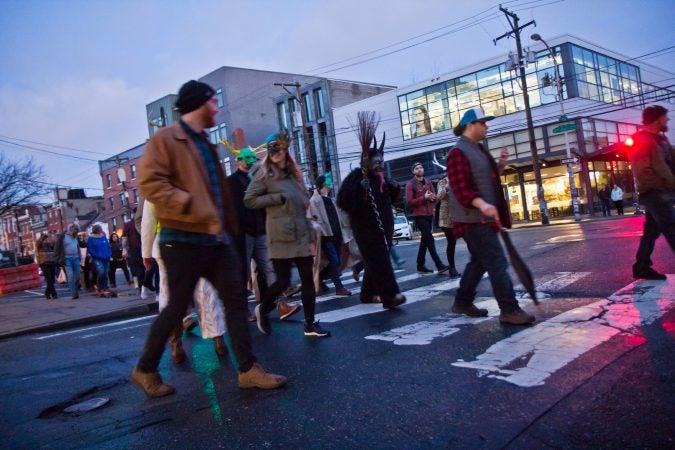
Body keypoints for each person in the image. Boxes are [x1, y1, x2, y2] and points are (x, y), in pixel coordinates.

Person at [132, 80, 286, 397]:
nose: (217, 108)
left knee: (235, 301)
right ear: (199, 104)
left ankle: (247, 369)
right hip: (182, 240)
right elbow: (149, 183)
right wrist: (188, 202)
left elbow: (219, 195)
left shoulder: (206, 144)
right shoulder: (166, 139)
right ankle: (145, 368)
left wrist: (229, 230)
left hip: (216, 240)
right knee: (176, 309)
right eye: (213, 102)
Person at [446, 107, 535, 325]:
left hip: (484, 218)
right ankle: (509, 309)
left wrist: (501, 165)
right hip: (472, 219)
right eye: (483, 123)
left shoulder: (479, 149)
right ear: (470, 125)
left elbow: (487, 177)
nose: (487, 126)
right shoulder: (457, 152)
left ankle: (463, 302)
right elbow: (461, 188)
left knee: (478, 262)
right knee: (496, 261)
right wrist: (482, 204)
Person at [244, 132, 330, 338]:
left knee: (308, 280)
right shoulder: (264, 174)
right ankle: (263, 309)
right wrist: (276, 198)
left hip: (300, 233)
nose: (275, 152)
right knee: (282, 281)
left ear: (285, 150)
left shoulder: (294, 175)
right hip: (280, 234)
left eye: (278, 148)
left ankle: (309, 324)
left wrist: (310, 235)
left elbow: (303, 207)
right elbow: (249, 199)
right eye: (271, 148)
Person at [226, 144, 300, 320]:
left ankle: (281, 304)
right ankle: (242, 309)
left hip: (260, 231)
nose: (250, 161)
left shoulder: (259, 179)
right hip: (242, 234)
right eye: (246, 158)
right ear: (238, 161)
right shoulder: (231, 182)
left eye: (252, 158)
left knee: (270, 268)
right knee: (242, 272)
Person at [336, 132, 406, 309]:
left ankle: (367, 294)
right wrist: (359, 189)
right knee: (382, 263)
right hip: (366, 231)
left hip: (384, 229)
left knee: (374, 262)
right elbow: (343, 201)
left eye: (382, 162)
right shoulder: (356, 177)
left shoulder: (382, 178)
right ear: (366, 162)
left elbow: (394, 199)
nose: (380, 165)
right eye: (377, 162)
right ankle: (390, 296)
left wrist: (394, 188)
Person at [629, 105, 675, 280]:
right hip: (654, 193)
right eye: (665, 117)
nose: (667, 120)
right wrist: (661, 189)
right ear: (657, 119)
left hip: (663, 191)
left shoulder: (661, 139)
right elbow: (643, 172)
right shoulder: (642, 140)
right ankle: (641, 266)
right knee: (672, 227)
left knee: (651, 231)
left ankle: (641, 266)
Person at [309, 174, 351, 297]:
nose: (331, 182)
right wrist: (321, 232)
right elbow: (313, 219)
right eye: (328, 181)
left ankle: (318, 279)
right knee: (334, 261)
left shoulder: (331, 200)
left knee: (336, 262)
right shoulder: (314, 200)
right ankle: (339, 287)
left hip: (336, 235)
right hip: (326, 236)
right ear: (323, 184)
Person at [405, 162, 449, 274]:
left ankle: (420, 265)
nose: (420, 169)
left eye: (421, 167)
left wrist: (432, 199)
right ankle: (439, 265)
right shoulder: (410, 185)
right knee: (430, 240)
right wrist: (424, 198)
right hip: (419, 216)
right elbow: (409, 203)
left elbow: (435, 198)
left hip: (429, 215)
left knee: (424, 241)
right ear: (413, 172)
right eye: (417, 168)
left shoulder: (428, 182)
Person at [436, 175, 461, 278]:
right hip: (446, 218)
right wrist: (446, 186)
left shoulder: (457, 179)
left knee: (459, 241)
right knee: (451, 242)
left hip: (457, 216)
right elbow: (440, 196)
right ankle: (452, 268)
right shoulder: (442, 182)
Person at [54, 223, 82, 299]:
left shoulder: (76, 237)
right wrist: (58, 259)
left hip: (76, 258)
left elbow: (78, 247)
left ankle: (75, 288)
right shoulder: (62, 238)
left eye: (77, 231)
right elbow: (57, 249)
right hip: (67, 259)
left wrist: (80, 257)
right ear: (70, 230)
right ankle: (74, 293)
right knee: (70, 276)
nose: (76, 232)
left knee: (78, 276)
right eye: (75, 230)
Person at [87, 224, 115, 298]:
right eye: (100, 229)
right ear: (96, 230)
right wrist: (95, 255)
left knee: (105, 273)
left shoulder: (103, 237)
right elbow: (90, 249)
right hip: (97, 258)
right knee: (101, 271)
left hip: (106, 257)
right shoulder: (91, 239)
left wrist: (109, 254)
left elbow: (108, 246)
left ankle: (105, 287)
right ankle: (100, 286)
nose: (101, 230)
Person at [36, 233, 58, 299]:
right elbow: (39, 242)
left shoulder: (50, 244)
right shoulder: (39, 244)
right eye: (46, 238)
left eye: (47, 238)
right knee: (49, 279)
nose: (47, 239)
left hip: (51, 262)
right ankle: (54, 294)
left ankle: (47, 293)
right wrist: (43, 238)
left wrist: (52, 240)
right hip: (44, 263)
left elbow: (55, 247)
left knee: (52, 279)